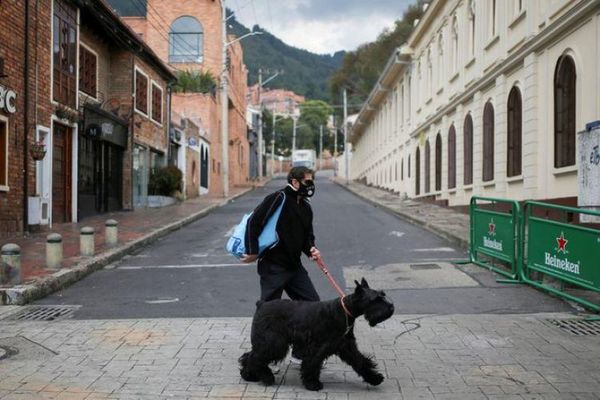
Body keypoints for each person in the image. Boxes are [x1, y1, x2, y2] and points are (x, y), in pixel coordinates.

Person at [241, 166, 321, 304]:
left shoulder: (306, 206)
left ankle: (298, 326)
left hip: (294, 266)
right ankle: (261, 326)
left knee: (312, 303)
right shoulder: (278, 198)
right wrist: (252, 251)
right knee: (269, 308)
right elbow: (253, 222)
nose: (311, 186)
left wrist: (311, 249)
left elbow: (307, 235)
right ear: (295, 182)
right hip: (273, 265)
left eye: (312, 181)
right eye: (307, 182)